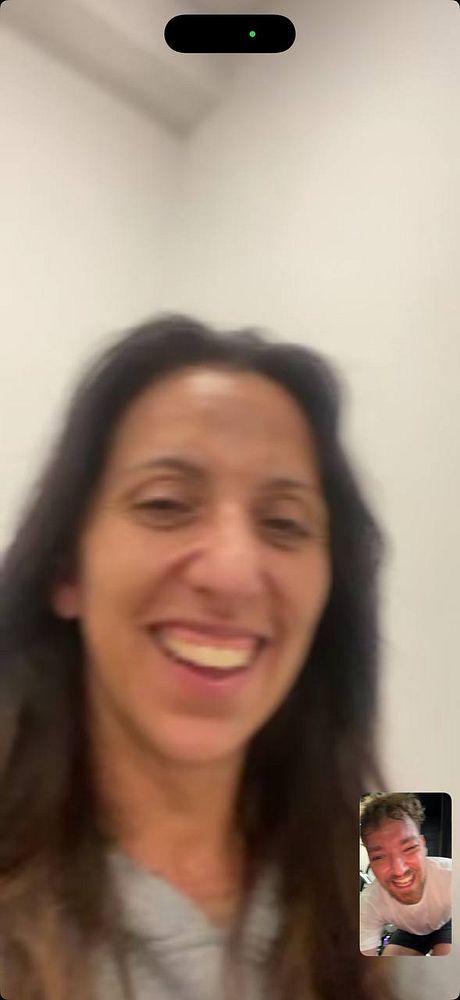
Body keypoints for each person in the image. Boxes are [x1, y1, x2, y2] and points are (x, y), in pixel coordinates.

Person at [0, 314, 399, 1000]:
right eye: (166, 504)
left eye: (283, 523)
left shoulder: (403, 846)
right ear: (68, 569)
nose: (234, 572)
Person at [360, 793, 452, 957]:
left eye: (409, 848)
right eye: (379, 857)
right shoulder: (369, 902)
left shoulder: (450, 875)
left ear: (423, 845)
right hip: (411, 932)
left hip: (448, 922)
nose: (399, 870)